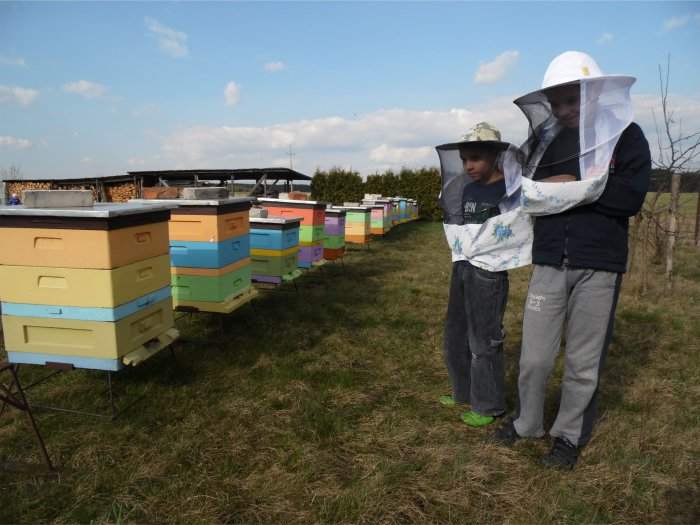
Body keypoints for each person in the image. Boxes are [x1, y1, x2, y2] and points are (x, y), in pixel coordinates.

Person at [491, 51, 651, 469]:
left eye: (571, 100)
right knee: (535, 358)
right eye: (556, 102)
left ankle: (568, 435)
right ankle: (527, 422)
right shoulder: (546, 142)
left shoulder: (626, 136)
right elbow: (530, 194)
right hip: (549, 260)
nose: (563, 110)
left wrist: (572, 185)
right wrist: (560, 189)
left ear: (594, 94)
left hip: (600, 264)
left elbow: (629, 198)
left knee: (583, 361)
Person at [436, 122, 522, 428]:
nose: (468, 166)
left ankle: (488, 405)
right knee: (456, 333)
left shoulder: (509, 190)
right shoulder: (468, 187)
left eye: (475, 158)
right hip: (463, 265)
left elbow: (516, 230)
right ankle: (463, 391)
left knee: (484, 340)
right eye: (463, 160)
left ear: (494, 157)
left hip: (490, 272)